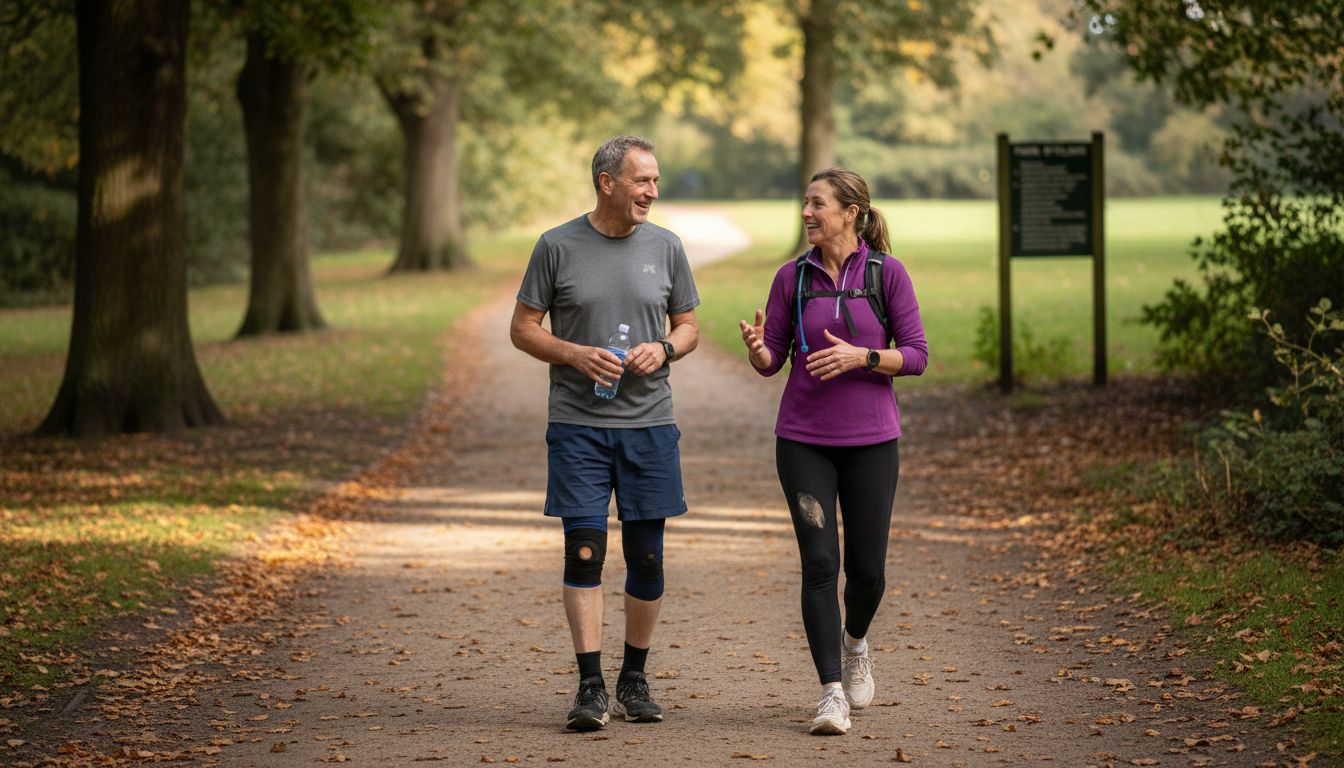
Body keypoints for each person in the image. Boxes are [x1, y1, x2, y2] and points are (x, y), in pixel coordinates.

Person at [510, 135, 699, 732]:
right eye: (642, 181)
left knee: (646, 555)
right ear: (607, 182)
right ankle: (590, 686)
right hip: (578, 427)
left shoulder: (667, 247)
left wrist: (664, 347)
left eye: (656, 181)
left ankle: (634, 678)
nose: (652, 192)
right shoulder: (556, 246)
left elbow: (690, 326)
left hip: (650, 425)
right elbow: (523, 329)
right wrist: (574, 355)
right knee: (585, 552)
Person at [738, 167, 927, 735]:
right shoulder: (790, 278)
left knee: (867, 572)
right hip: (803, 441)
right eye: (805, 203)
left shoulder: (886, 274)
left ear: (851, 212)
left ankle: (856, 643)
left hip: (872, 441)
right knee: (821, 565)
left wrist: (863, 357)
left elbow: (916, 356)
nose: (806, 212)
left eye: (817, 204)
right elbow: (773, 359)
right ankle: (831, 693)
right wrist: (757, 352)